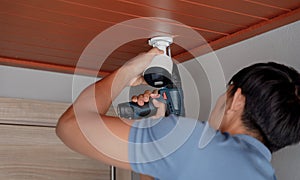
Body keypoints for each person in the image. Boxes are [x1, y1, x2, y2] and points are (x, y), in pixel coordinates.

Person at [56, 48, 300, 179]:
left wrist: (129, 70)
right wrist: (157, 126)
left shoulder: (192, 144)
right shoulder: (263, 174)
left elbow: (71, 126)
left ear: (236, 99)